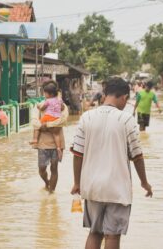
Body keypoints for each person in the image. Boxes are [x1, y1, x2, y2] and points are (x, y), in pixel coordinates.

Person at [71, 77, 152, 249]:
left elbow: (77, 154)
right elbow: (137, 156)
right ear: (123, 97)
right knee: (113, 236)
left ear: (105, 94)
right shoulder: (126, 120)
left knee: (94, 233)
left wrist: (77, 183)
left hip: (91, 186)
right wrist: (144, 182)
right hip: (117, 188)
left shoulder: (86, 117)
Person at [31, 86, 68, 193]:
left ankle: (51, 192)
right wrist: (47, 126)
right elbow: (34, 121)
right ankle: (47, 183)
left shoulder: (63, 106)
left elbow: (63, 120)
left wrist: (45, 125)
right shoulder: (41, 104)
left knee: (54, 168)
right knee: (42, 169)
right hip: (42, 143)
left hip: (57, 143)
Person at [30, 81, 65, 161]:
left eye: (45, 93)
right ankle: (58, 148)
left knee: (37, 125)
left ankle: (35, 139)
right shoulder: (59, 101)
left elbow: (41, 109)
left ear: (50, 94)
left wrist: (39, 107)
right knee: (56, 134)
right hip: (56, 121)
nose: (44, 95)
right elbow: (63, 109)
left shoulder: (46, 101)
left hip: (49, 119)